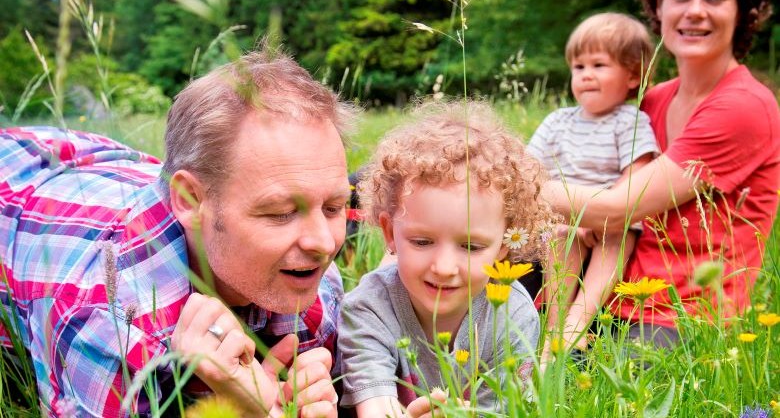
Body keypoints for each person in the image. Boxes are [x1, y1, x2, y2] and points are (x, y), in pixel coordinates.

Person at [0, 46, 356, 417]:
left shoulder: (312, 280)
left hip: (96, 163)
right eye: (282, 213)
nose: (323, 242)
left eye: (333, 207)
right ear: (190, 200)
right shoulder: (110, 324)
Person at [542, 0, 779, 347]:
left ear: (741, 11)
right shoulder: (651, 102)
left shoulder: (743, 107)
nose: (695, 10)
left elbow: (616, 209)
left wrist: (510, 186)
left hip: (677, 315)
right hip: (608, 290)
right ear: (659, 8)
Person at [338, 101, 553, 416]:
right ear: (389, 233)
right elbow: (374, 407)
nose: (444, 268)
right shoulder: (369, 307)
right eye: (422, 241)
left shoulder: (513, 317)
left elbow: (504, 409)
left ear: (504, 245)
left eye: (471, 247)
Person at [526, 12, 659, 354]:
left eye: (599, 65)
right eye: (578, 67)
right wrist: (567, 219)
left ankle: (578, 322)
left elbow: (636, 181)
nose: (586, 75)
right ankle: (553, 329)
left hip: (610, 217)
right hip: (563, 214)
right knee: (559, 238)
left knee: (617, 238)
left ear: (632, 76)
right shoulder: (558, 121)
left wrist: (600, 217)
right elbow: (529, 170)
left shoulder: (630, 121)